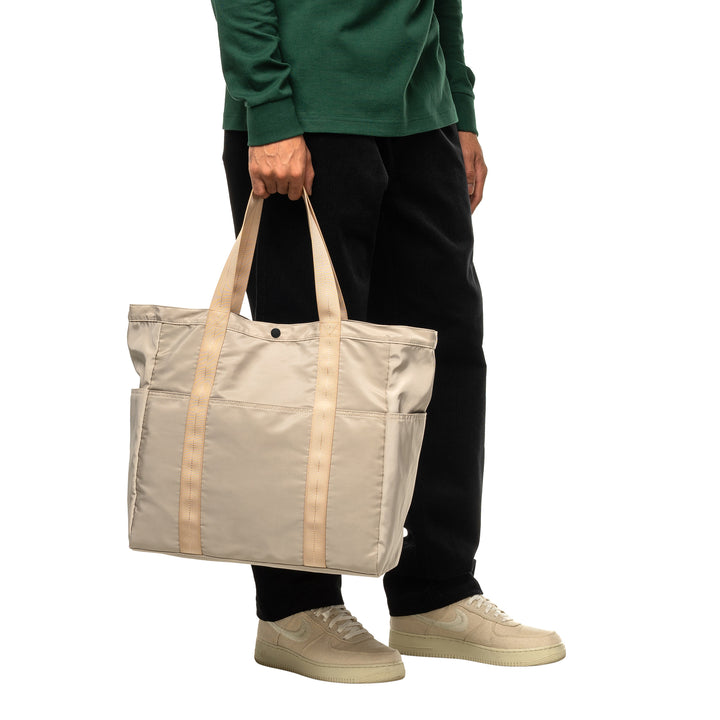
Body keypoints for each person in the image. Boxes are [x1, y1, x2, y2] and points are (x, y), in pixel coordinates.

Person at [210, 0, 565, 683]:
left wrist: (459, 108)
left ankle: (436, 592)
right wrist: (269, 108)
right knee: (308, 368)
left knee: (443, 355)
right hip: (306, 113)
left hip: (423, 118)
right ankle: (295, 607)